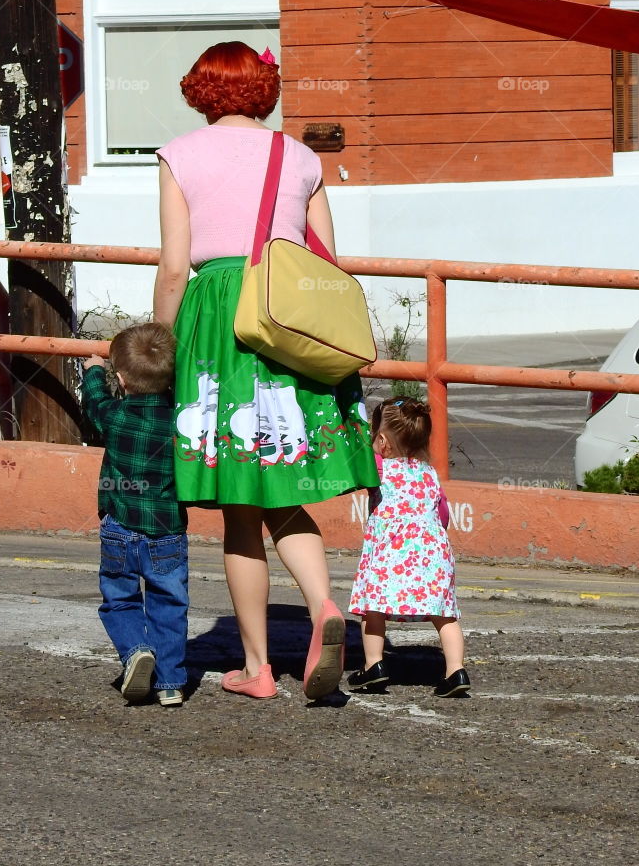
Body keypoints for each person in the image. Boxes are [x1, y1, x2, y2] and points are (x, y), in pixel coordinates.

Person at [153, 41, 379, 702]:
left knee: (240, 505)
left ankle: (257, 669)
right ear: (265, 89)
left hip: (220, 317)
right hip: (284, 316)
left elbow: (173, 266)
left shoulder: (179, 155)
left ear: (201, 91)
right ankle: (323, 607)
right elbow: (327, 261)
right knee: (284, 490)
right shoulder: (300, 156)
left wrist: (159, 347)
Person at [83, 323, 189, 707]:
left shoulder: (114, 417)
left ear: (122, 377)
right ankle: (171, 683)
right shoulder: (181, 422)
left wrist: (94, 370)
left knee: (120, 599)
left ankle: (135, 652)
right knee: (169, 604)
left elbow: (94, 402)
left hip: (119, 526)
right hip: (168, 532)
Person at [347, 398, 471, 699]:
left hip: (389, 552)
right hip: (433, 553)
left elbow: (355, 455)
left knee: (373, 609)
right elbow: (442, 516)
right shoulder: (429, 474)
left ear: (382, 440)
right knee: (444, 614)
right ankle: (455, 670)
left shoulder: (378, 468)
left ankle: (374, 666)